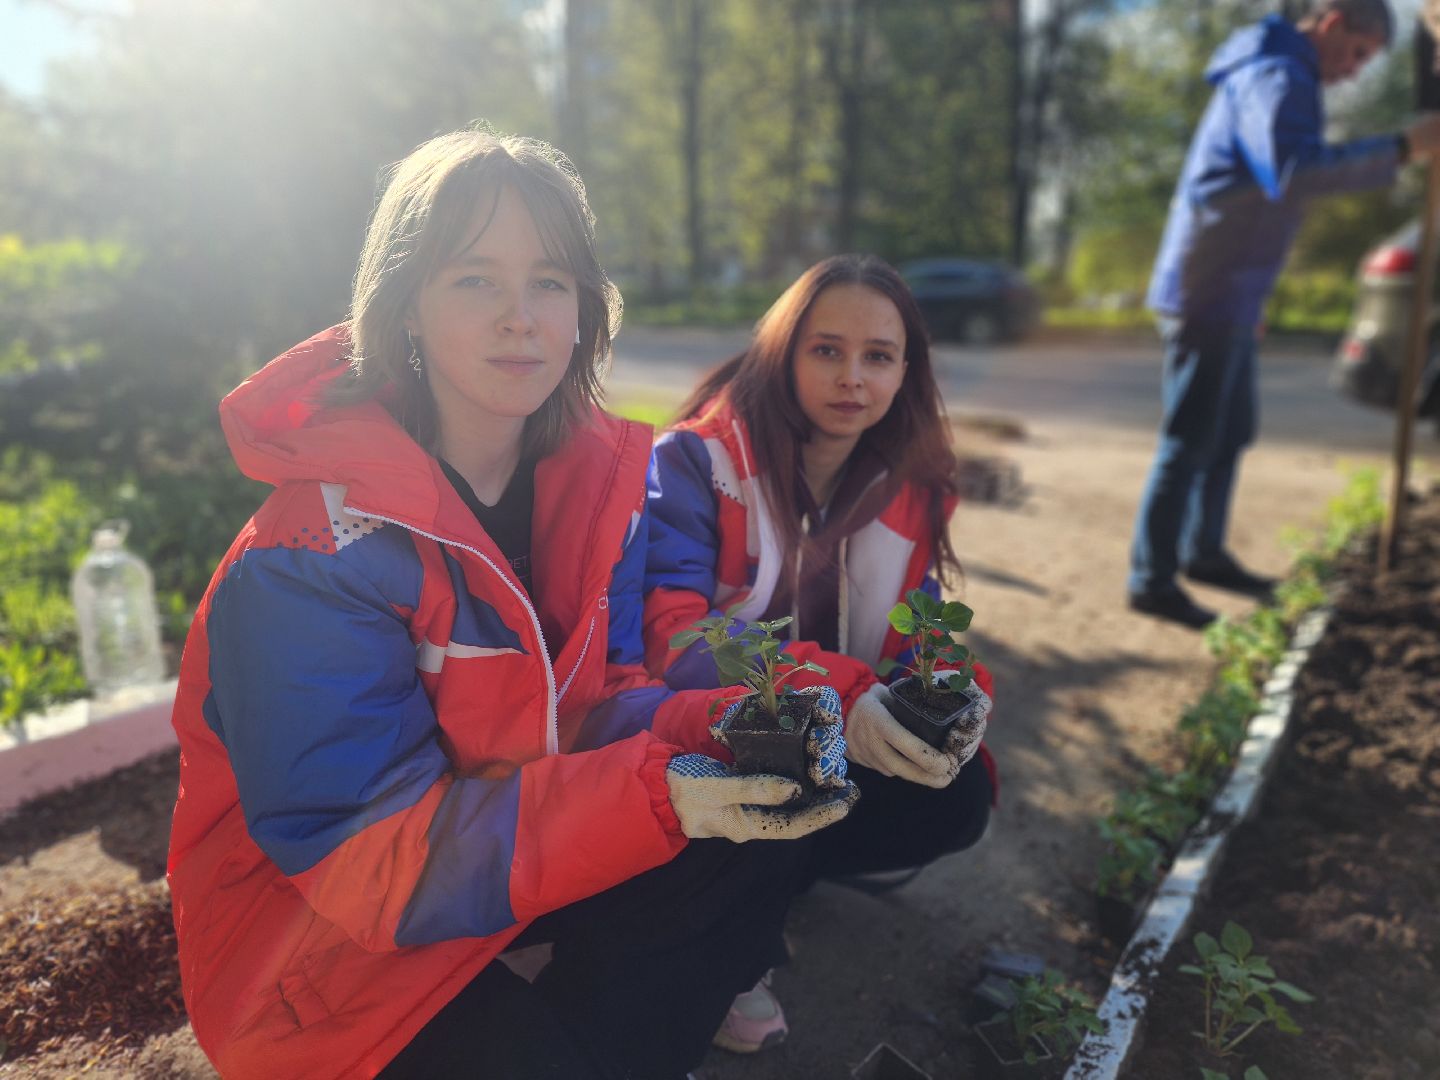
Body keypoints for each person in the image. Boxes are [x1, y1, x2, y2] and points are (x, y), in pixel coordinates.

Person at [165, 129, 860, 1080]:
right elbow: (373, 864)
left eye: (549, 282)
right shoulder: (313, 555)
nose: (520, 319)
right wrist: (664, 793)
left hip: (496, 869)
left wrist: (739, 724)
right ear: (405, 307)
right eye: (473, 280)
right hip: (319, 957)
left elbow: (597, 701)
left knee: (759, 831)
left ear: (584, 313)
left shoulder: (596, 491)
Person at [643, 254, 997, 1054]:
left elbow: (921, 630)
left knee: (957, 790)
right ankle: (728, 934)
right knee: (791, 738)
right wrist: (844, 694)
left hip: (822, 731)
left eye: (878, 356)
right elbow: (678, 642)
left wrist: (956, 691)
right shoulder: (695, 465)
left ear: (907, 371)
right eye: (826, 350)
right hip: (699, 734)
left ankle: (772, 882)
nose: (853, 378)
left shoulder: (903, 483)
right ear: (783, 351)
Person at [1129, 0, 1440, 628]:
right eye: (1356, 53)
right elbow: (1294, 174)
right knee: (1190, 439)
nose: (1354, 72)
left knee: (1231, 430)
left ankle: (1204, 553)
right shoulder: (1276, 74)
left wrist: (1254, 301)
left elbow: (1265, 191)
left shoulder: (1284, 72)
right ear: (1330, 23)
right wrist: (1405, 145)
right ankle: (1152, 580)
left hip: (1233, 288)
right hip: (1211, 285)